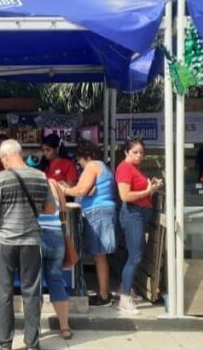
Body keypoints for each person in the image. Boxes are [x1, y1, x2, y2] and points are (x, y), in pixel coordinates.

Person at [0, 139, 55, 350]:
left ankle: (5, 344)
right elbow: (50, 209)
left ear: (5, 157)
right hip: (32, 241)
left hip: (5, 241)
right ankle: (32, 344)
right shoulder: (41, 176)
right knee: (32, 292)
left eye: (1, 159)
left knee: (4, 293)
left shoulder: (1, 178)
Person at [63, 141, 117, 307]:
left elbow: (82, 190)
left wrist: (64, 190)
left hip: (98, 212)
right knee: (100, 255)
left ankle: (103, 296)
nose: (78, 163)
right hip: (102, 212)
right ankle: (104, 292)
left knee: (99, 254)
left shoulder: (92, 166)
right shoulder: (102, 167)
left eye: (79, 159)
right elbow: (88, 189)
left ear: (86, 156)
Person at [115, 137, 162, 315]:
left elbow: (141, 191)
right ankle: (124, 299)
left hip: (139, 214)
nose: (139, 155)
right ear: (126, 152)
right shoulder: (125, 169)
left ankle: (124, 288)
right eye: (135, 152)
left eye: (141, 152)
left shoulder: (135, 169)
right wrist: (147, 191)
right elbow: (125, 196)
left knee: (132, 254)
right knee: (135, 256)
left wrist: (153, 187)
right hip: (133, 214)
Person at [38, 179, 72, 339]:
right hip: (56, 235)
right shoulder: (54, 183)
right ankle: (65, 327)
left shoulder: (31, 182)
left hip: (35, 235)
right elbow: (63, 209)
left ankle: (34, 329)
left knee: (33, 284)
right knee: (57, 281)